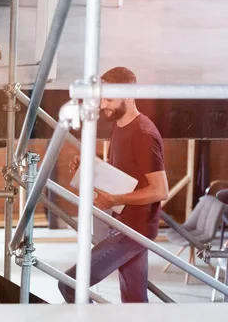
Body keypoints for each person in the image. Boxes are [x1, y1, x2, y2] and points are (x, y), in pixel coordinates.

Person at [58, 66, 169, 303]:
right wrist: (91, 165)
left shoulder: (142, 133)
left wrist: (115, 200)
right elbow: (121, 172)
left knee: (69, 284)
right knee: (134, 300)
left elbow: (160, 190)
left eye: (109, 99)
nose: (102, 105)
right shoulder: (119, 125)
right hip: (121, 223)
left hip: (133, 231)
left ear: (129, 95)